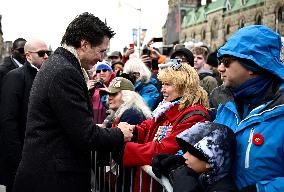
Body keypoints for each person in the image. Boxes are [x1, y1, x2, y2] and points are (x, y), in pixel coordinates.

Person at [12, 12, 133, 192]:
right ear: (84, 44)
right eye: (101, 51)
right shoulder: (64, 72)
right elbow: (85, 136)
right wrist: (119, 134)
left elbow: (66, 124)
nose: (101, 58)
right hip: (53, 179)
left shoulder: (58, 64)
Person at [117, 61, 210, 192]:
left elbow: (166, 149)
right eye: (163, 84)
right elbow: (146, 128)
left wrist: (125, 149)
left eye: (168, 84)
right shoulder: (169, 108)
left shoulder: (194, 116)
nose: (162, 89)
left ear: (184, 86)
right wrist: (128, 131)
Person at [211, 25, 284, 192]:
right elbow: (209, 144)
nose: (220, 68)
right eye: (220, 62)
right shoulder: (226, 104)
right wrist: (180, 162)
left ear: (252, 66)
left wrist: (257, 190)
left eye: (227, 62)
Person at [0, 39, 50, 192]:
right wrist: (19, 158)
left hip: (40, 158)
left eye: (48, 53)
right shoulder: (14, 77)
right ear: (28, 56)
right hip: (20, 158)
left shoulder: (46, 76)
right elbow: (8, 121)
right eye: (41, 53)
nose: (46, 56)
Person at [97, 77, 152, 191]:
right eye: (108, 94)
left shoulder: (132, 113)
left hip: (130, 174)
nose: (109, 97)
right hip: (124, 171)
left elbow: (120, 146)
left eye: (114, 94)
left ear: (127, 95)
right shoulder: (124, 112)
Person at [152, 121, 237, 192]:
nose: (184, 156)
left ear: (211, 161)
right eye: (185, 150)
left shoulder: (224, 189)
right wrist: (170, 167)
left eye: (192, 153)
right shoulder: (199, 172)